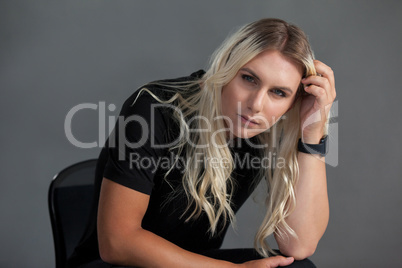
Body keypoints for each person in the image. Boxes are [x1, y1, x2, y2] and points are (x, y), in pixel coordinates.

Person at [68, 18, 336, 268]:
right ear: (226, 68)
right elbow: (117, 243)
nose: (256, 105)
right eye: (249, 78)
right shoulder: (155, 110)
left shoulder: (268, 132)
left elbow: (299, 245)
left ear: (293, 103)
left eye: (278, 93)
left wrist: (313, 135)